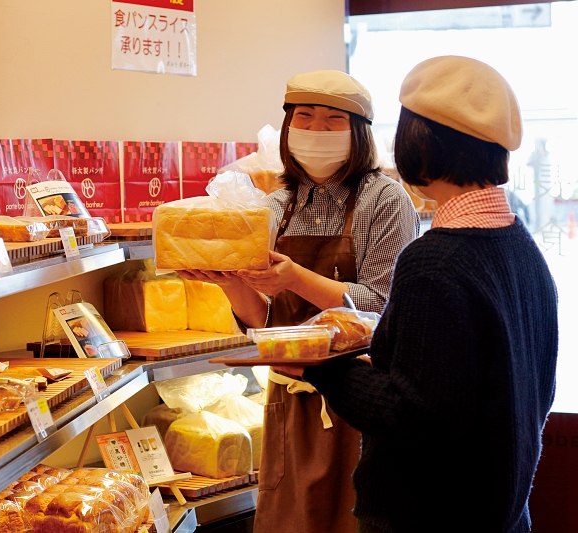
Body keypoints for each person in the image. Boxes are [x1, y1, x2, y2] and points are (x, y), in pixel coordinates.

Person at [296, 56, 559, 533]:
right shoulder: (522, 248)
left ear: (422, 141)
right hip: (503, 512)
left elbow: (410, 416)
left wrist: (322, 366)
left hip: (429, 515)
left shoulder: (434, 260)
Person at [178, 70, 419, 532]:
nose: (316, 130)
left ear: (359, 132)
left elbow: (382, 306)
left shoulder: (385, 199)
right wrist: (228, 282)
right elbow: (265, 323)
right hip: (292, 400)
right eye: (304, 118)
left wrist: (293, 277)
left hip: (360, 400)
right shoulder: (278, 203)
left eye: (332, 120)